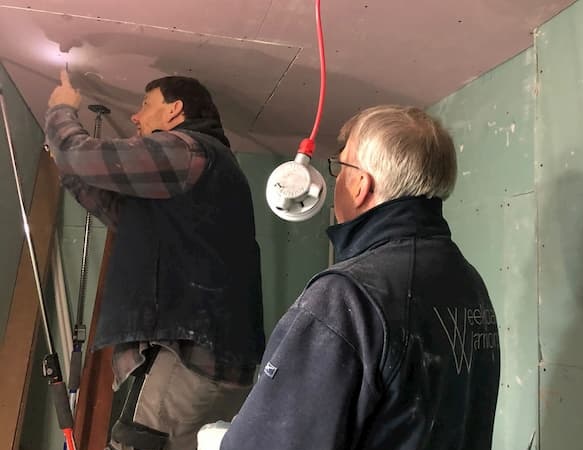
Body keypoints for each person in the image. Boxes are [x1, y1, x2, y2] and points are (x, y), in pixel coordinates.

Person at [200, 105, 500, 450]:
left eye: (340, 168)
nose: (336, 179)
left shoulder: (347, 295)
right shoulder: (466, 281)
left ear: (361, 184)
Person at [45, 70, 265, 450]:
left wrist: (62, 113)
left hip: (191, 356)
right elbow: (124, 215)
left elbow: (81, 155)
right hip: (211, 358)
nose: (135, 116)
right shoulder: (207, 173)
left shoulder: (186, 150)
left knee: (139, 444)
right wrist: (70, 168)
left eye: (146, 105)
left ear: (175, 111)